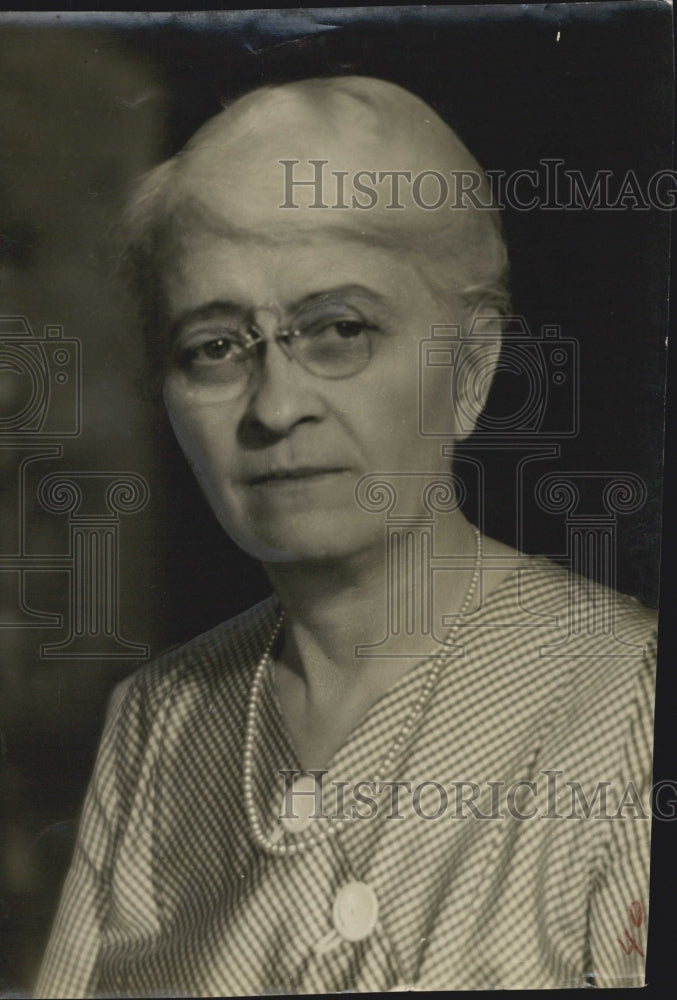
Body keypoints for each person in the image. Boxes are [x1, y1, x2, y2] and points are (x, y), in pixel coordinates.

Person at [35, 76, 656, 995]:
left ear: (473, 367)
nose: (276, 407)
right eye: (215, 346)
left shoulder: (626, 704)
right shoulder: (156, 724)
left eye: (337, 330)